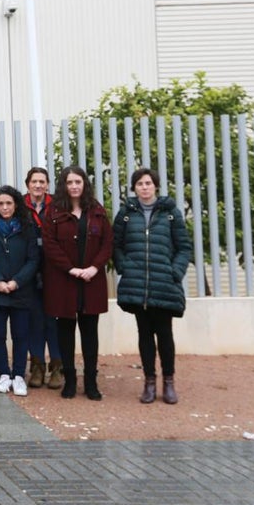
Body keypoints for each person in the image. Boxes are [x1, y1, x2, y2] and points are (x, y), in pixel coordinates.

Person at [113, 168, 192, 405]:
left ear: (155, 186)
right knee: (145, 335)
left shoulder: (170, 213)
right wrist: (124, 267)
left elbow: (184, 247)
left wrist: (175, 272)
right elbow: (116, 245)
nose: (144, 187)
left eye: (148, 183)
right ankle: (149, 382)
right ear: (134, 188)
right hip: (138, 285)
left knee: (165, 335)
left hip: (163, 283)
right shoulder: (126, 214)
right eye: (139, 184)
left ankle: (168, 382)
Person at [41, 165, 113, 401]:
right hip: (64, 281)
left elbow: (107, 244)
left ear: (84, 184)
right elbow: (49, 245)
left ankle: (91, 382)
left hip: (91, 282)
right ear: (64, 185)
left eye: (78, 182)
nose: (74, 186)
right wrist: (71, 269)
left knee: (90, 333)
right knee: (65, 333)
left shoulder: (97, 211)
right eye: (70, 182)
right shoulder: (53, 212)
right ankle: (69, 380)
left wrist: (93, 268)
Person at [0, 186, 41, 396]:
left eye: (9, 203)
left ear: (16, 204)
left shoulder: (27, 226)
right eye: (1, 203)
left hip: (20, 290)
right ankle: (4, 374)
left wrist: (17, 282)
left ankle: (19, 374)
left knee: (21, 335)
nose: (5, 208)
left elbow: (33, 259)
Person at [23, 166, 61, 389]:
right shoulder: (20, 206)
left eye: (42, 181)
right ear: (28, 184)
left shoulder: (57, 206)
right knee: (33, 321)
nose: (38, 185)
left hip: (53, 271)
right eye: (34, 181)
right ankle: (37, 366)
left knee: (52, 321)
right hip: (28, 271)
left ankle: (57, 367)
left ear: (47, 184)